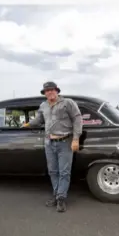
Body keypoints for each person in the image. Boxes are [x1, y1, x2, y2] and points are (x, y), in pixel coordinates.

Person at [26, 81, 83, 212]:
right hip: (49, 143)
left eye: (52, 90)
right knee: (52, 171)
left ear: (57, 91)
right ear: (44, 93)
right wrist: (28, 125)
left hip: (65, 142)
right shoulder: (43, 105)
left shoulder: (68, 103)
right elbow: (39, 120)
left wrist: (75, 139)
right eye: (47, 90)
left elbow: (77, 119)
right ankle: (57, 195)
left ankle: (61, 199)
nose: (50, 92)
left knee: (64, 172)